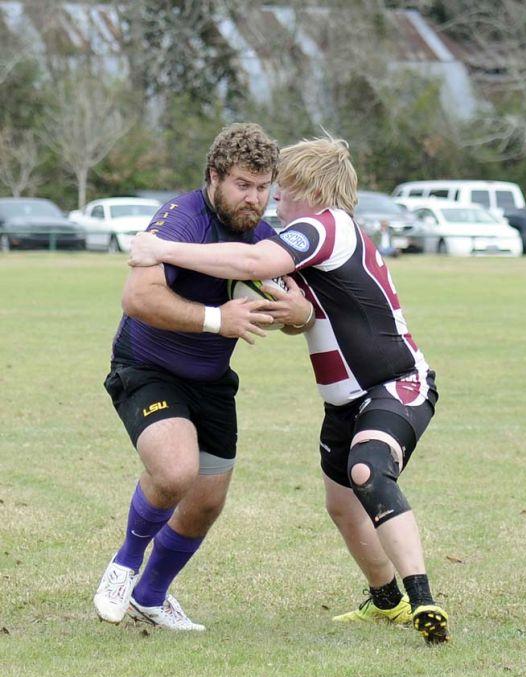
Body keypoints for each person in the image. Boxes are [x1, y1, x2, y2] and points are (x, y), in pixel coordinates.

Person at [129, 136, 450, 644]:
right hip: (345, 398)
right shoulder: (314, 235)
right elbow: (286, 297)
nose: (275, 201)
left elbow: (254, 265)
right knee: (342, 504)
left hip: (392, 385)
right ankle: (386, 600)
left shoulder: (325, 225)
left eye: (283, 190)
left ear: (312, 189)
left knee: (368, 469)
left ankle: (423, 600)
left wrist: (161, 248)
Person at [93, 123, 313, 631]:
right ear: (214, 176)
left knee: (207, 501)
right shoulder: (181, 218)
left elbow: (301, 315)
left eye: (263, 187)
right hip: (148, 368)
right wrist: (219, 319)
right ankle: (124, 564)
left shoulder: (260, 238)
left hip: (211, 380)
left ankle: (150, 595)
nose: (253, 198)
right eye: (242, 184)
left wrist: (293, 313)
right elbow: (138, 298)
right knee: (175, 472)